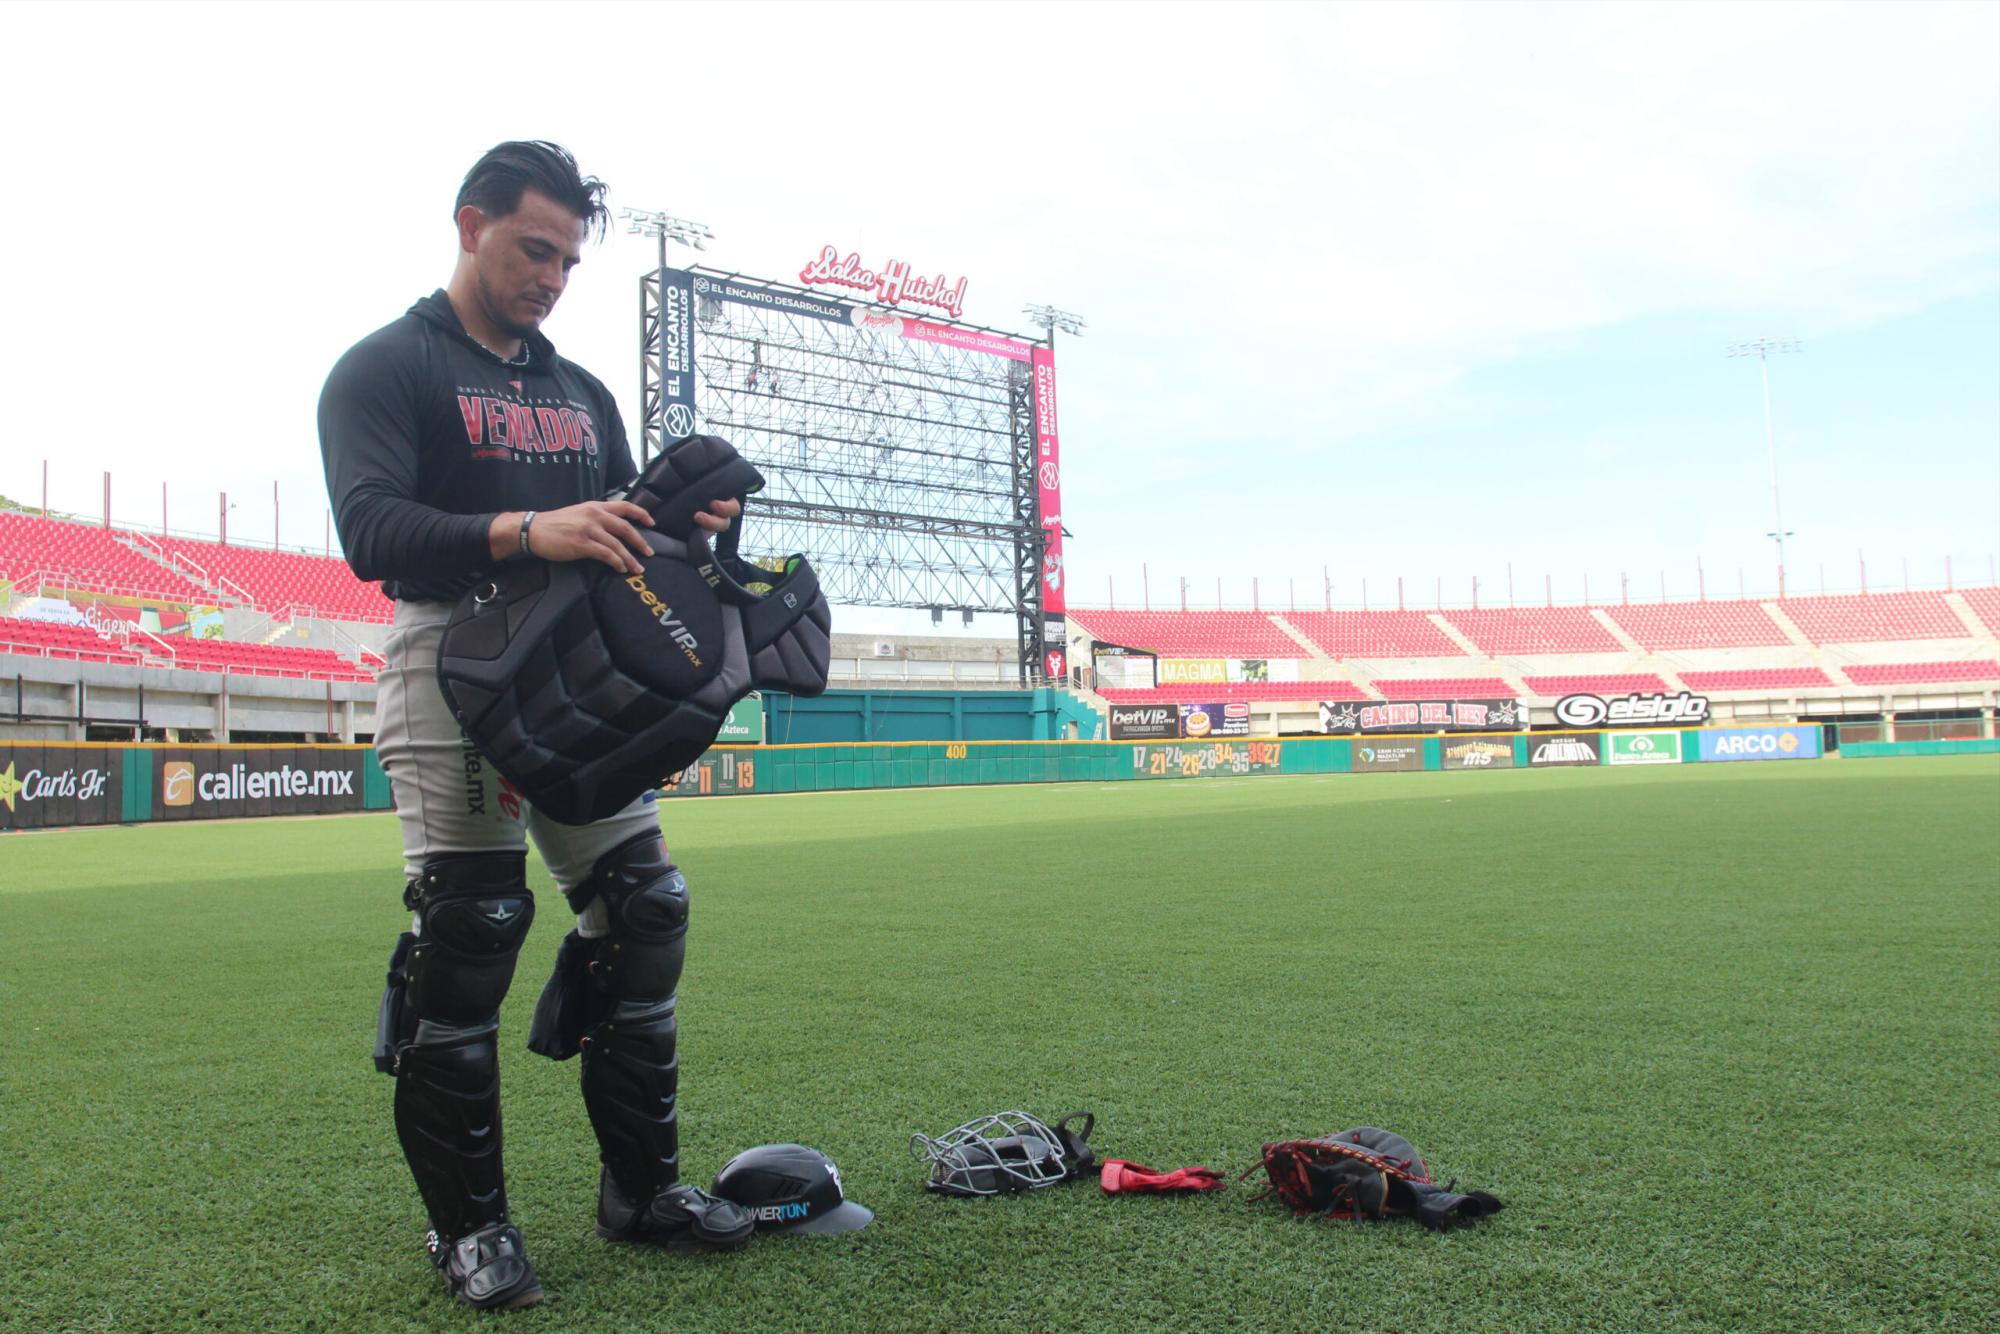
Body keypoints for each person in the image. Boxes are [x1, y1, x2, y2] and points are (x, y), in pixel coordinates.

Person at [319, 140, 751, 1311]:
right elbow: (370, 530)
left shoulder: (580, 392)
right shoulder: (386, 365)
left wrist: (691, 529)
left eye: (566, 258)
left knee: (647, 907)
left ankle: (641, 1192)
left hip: (576, 672)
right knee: (472, 925)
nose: (551, 276)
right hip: (450, 662)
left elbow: (620, 542)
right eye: (532, 249)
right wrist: (527, 528)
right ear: (470, 224)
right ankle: (471, 1229)